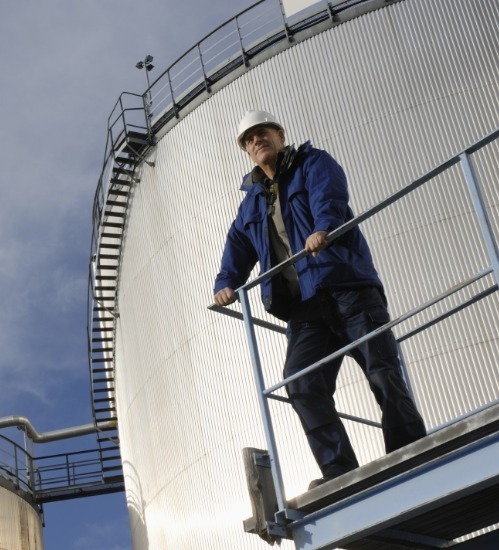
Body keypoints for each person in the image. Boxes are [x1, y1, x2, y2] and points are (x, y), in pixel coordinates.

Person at [214, 110, 426, 489]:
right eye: (248, 140)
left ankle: (409, 448)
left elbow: (329, 197)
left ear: (280, 135)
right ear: (245, 151)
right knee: (301, 383)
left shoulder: (313, 163)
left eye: (262, 133)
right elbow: (238, 247)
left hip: (347, 287)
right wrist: (226, 282)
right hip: (304, 308)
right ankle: (339, 470)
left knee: (382, 370)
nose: (256, 141)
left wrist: (322, 227)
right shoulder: (250, 204)